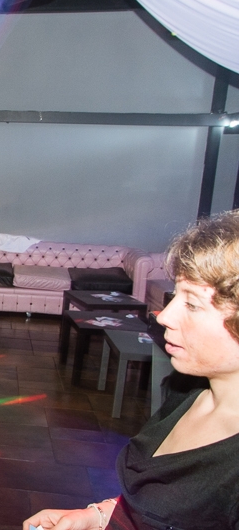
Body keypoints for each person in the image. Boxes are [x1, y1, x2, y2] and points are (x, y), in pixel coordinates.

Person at [23, 210, 239, 530]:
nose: (164, 316)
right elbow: (158, 505)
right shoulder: (185, 389)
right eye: (175, 295)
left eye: (192, 304)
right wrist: (98, 516)